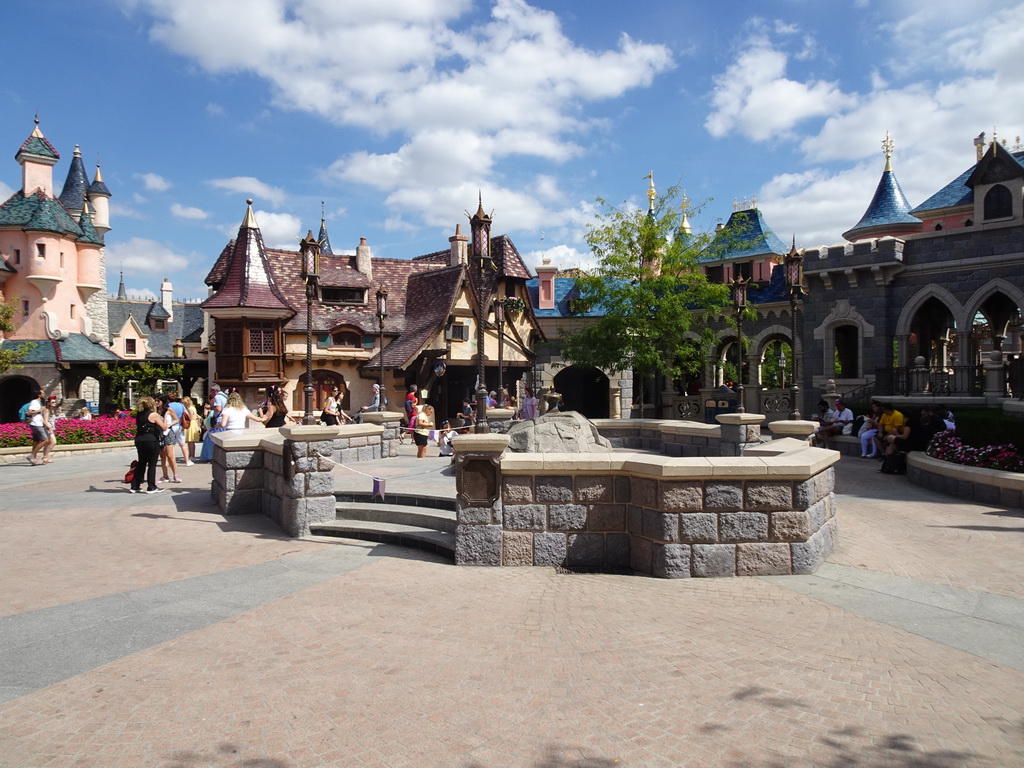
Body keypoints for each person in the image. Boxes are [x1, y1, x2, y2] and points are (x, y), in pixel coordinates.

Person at [131, 395, 165, 494]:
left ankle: (135, 485)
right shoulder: (153, 415)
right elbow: (163, 427)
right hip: (151, 440)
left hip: (139, 439)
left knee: (141, 462)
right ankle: (151, 486)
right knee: (152, 464)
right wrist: (167, 420)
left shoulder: (139, 414)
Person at [157, 394, 181, 484]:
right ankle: (165, 475)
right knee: (162, 455)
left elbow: (176, 419)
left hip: (168, 433)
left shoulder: (168, 409)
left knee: (170, 455)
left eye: (158, 401)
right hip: (159, 433)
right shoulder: (156, 411)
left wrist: (169, 425)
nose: (156, 403)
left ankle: (175, 474)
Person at [26, 389, 51, 466]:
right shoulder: (34, 402)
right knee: (45, 440)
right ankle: (32, 455)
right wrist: (40, 410)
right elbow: (29, 412)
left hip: (38, 423)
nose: (44, 394)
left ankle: (33, 459)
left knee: (36, 441)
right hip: (36, 424)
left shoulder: (39, 402)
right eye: (43, 393)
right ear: (39, 395)